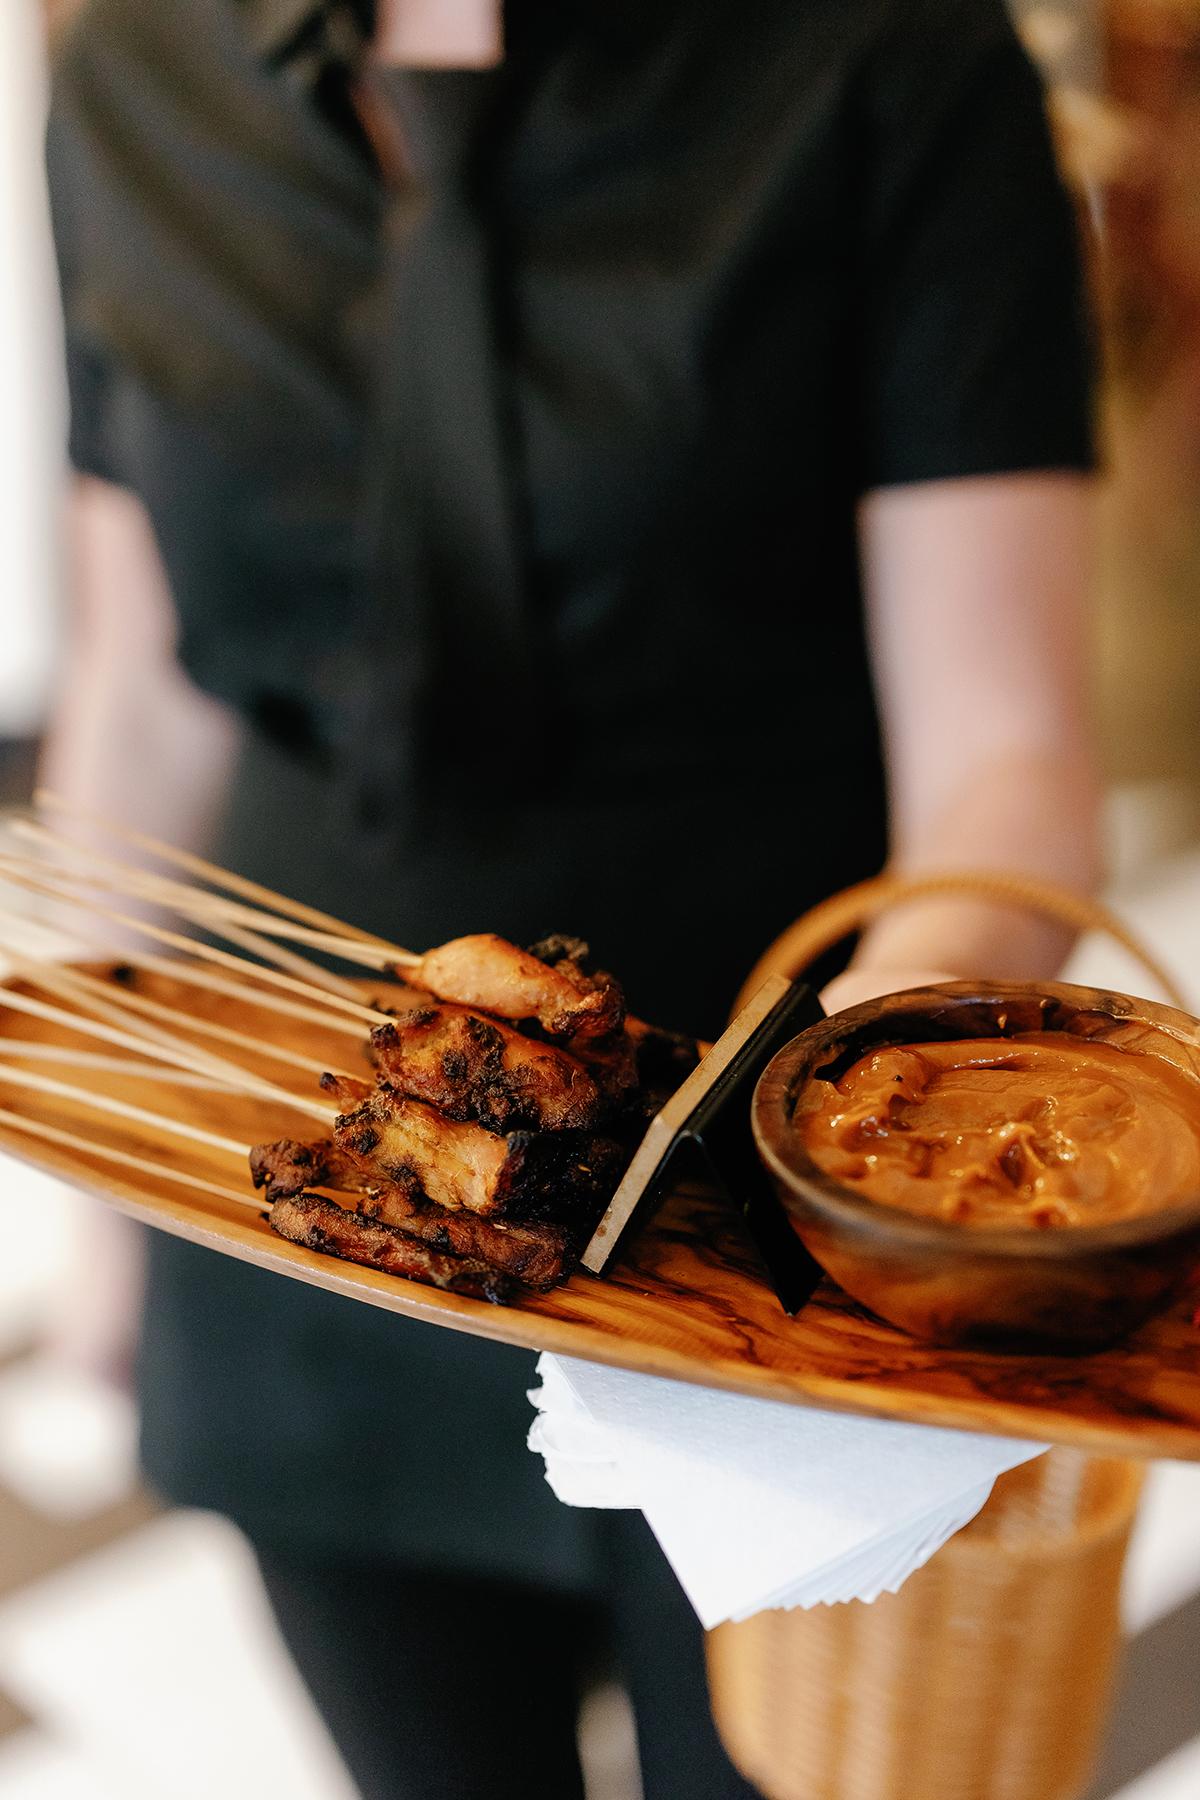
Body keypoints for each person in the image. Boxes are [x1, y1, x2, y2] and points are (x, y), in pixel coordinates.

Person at [42, 0, 1099, 1794]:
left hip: (760, 1246)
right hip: (311, 1203)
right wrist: (95, 1196)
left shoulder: (895, 59)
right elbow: (144, 683)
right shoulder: (130, 69)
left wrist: (863, 1155)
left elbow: (1006, 746)